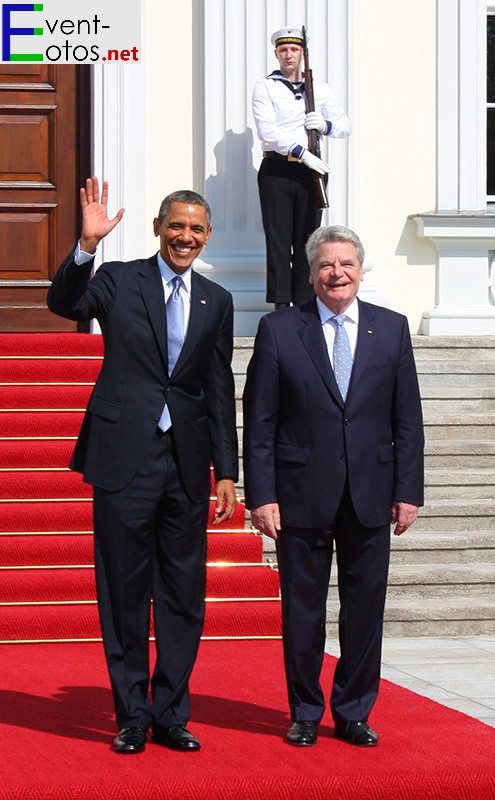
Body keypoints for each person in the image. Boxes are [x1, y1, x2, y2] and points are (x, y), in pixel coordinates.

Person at [47, 177, 238, 755]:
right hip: (124, 454)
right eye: (175, 226)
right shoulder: (118, 278)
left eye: (196, 229)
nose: (185, 237)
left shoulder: (216, 300)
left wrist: (225, 470)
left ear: (207, 237)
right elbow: (65, 303)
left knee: (183, 593)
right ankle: (131, 713)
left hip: (185, 461)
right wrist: (85, 247)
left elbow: (218, 388)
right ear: (157, 228)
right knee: (125, 591)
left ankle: (171, 713)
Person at [242, 225, 424, 748]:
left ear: (361, 270)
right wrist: (263, 495)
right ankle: (304, 710)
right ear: (311, 271)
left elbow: (407, 419)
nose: (336, 273)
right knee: (302, 609)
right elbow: (260, 420)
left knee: (364, 610)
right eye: (326, 264)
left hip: (372, 492)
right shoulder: (280, 329)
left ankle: (353, 711)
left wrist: (408, 490)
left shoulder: (391, 329)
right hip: (301, 494)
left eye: (345, 263)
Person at [252, 27, 352, 309]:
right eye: (283, 50)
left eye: (294, 50)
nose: (288, 55)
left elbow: (345, 127)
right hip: (278, 170)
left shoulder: (319, 89)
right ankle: (282, 306)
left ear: (302, 54)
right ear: (276, 54)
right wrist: (300, 152)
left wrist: (325, 125)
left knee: (308, 242)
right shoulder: (265, 87)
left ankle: (307, 304)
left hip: (312, 172)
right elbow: (267, 131)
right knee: (279, 243)